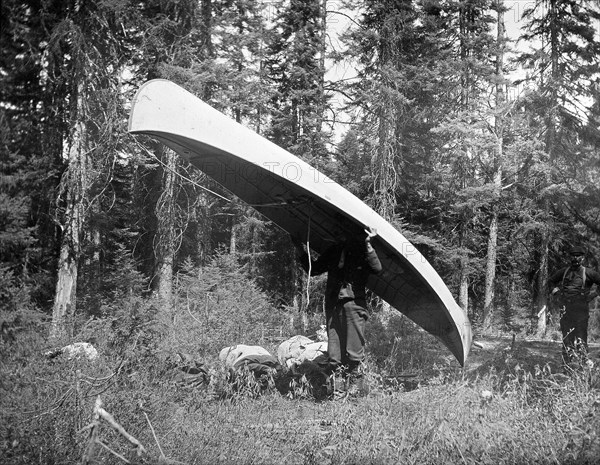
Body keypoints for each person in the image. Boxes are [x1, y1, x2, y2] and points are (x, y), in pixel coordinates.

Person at [294, 226, 382, 397]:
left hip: (353, 304)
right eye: (337, 231)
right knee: (335, 354)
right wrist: (300, 248)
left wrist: (368, 244)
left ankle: (356, 395)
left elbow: (377, 268)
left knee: (354, 352)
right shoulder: (333, 251)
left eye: (342, 231)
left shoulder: (361, 250)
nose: (339, 234)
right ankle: (338, 393)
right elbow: (315, 269)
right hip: (334, 305)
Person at [549, 245, 600, 364]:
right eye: (573, 256)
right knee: (567, 338)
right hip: (566, 309)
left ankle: (582, 368)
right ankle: (567, 367)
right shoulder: (564, 271)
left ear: (582, 258)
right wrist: (556, 293)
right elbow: (551, 281)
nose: (575, 258)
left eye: (578, 256)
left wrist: (592, 295)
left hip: (581, 309)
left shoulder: (588, 272)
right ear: (570, 257)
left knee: (581, 338)